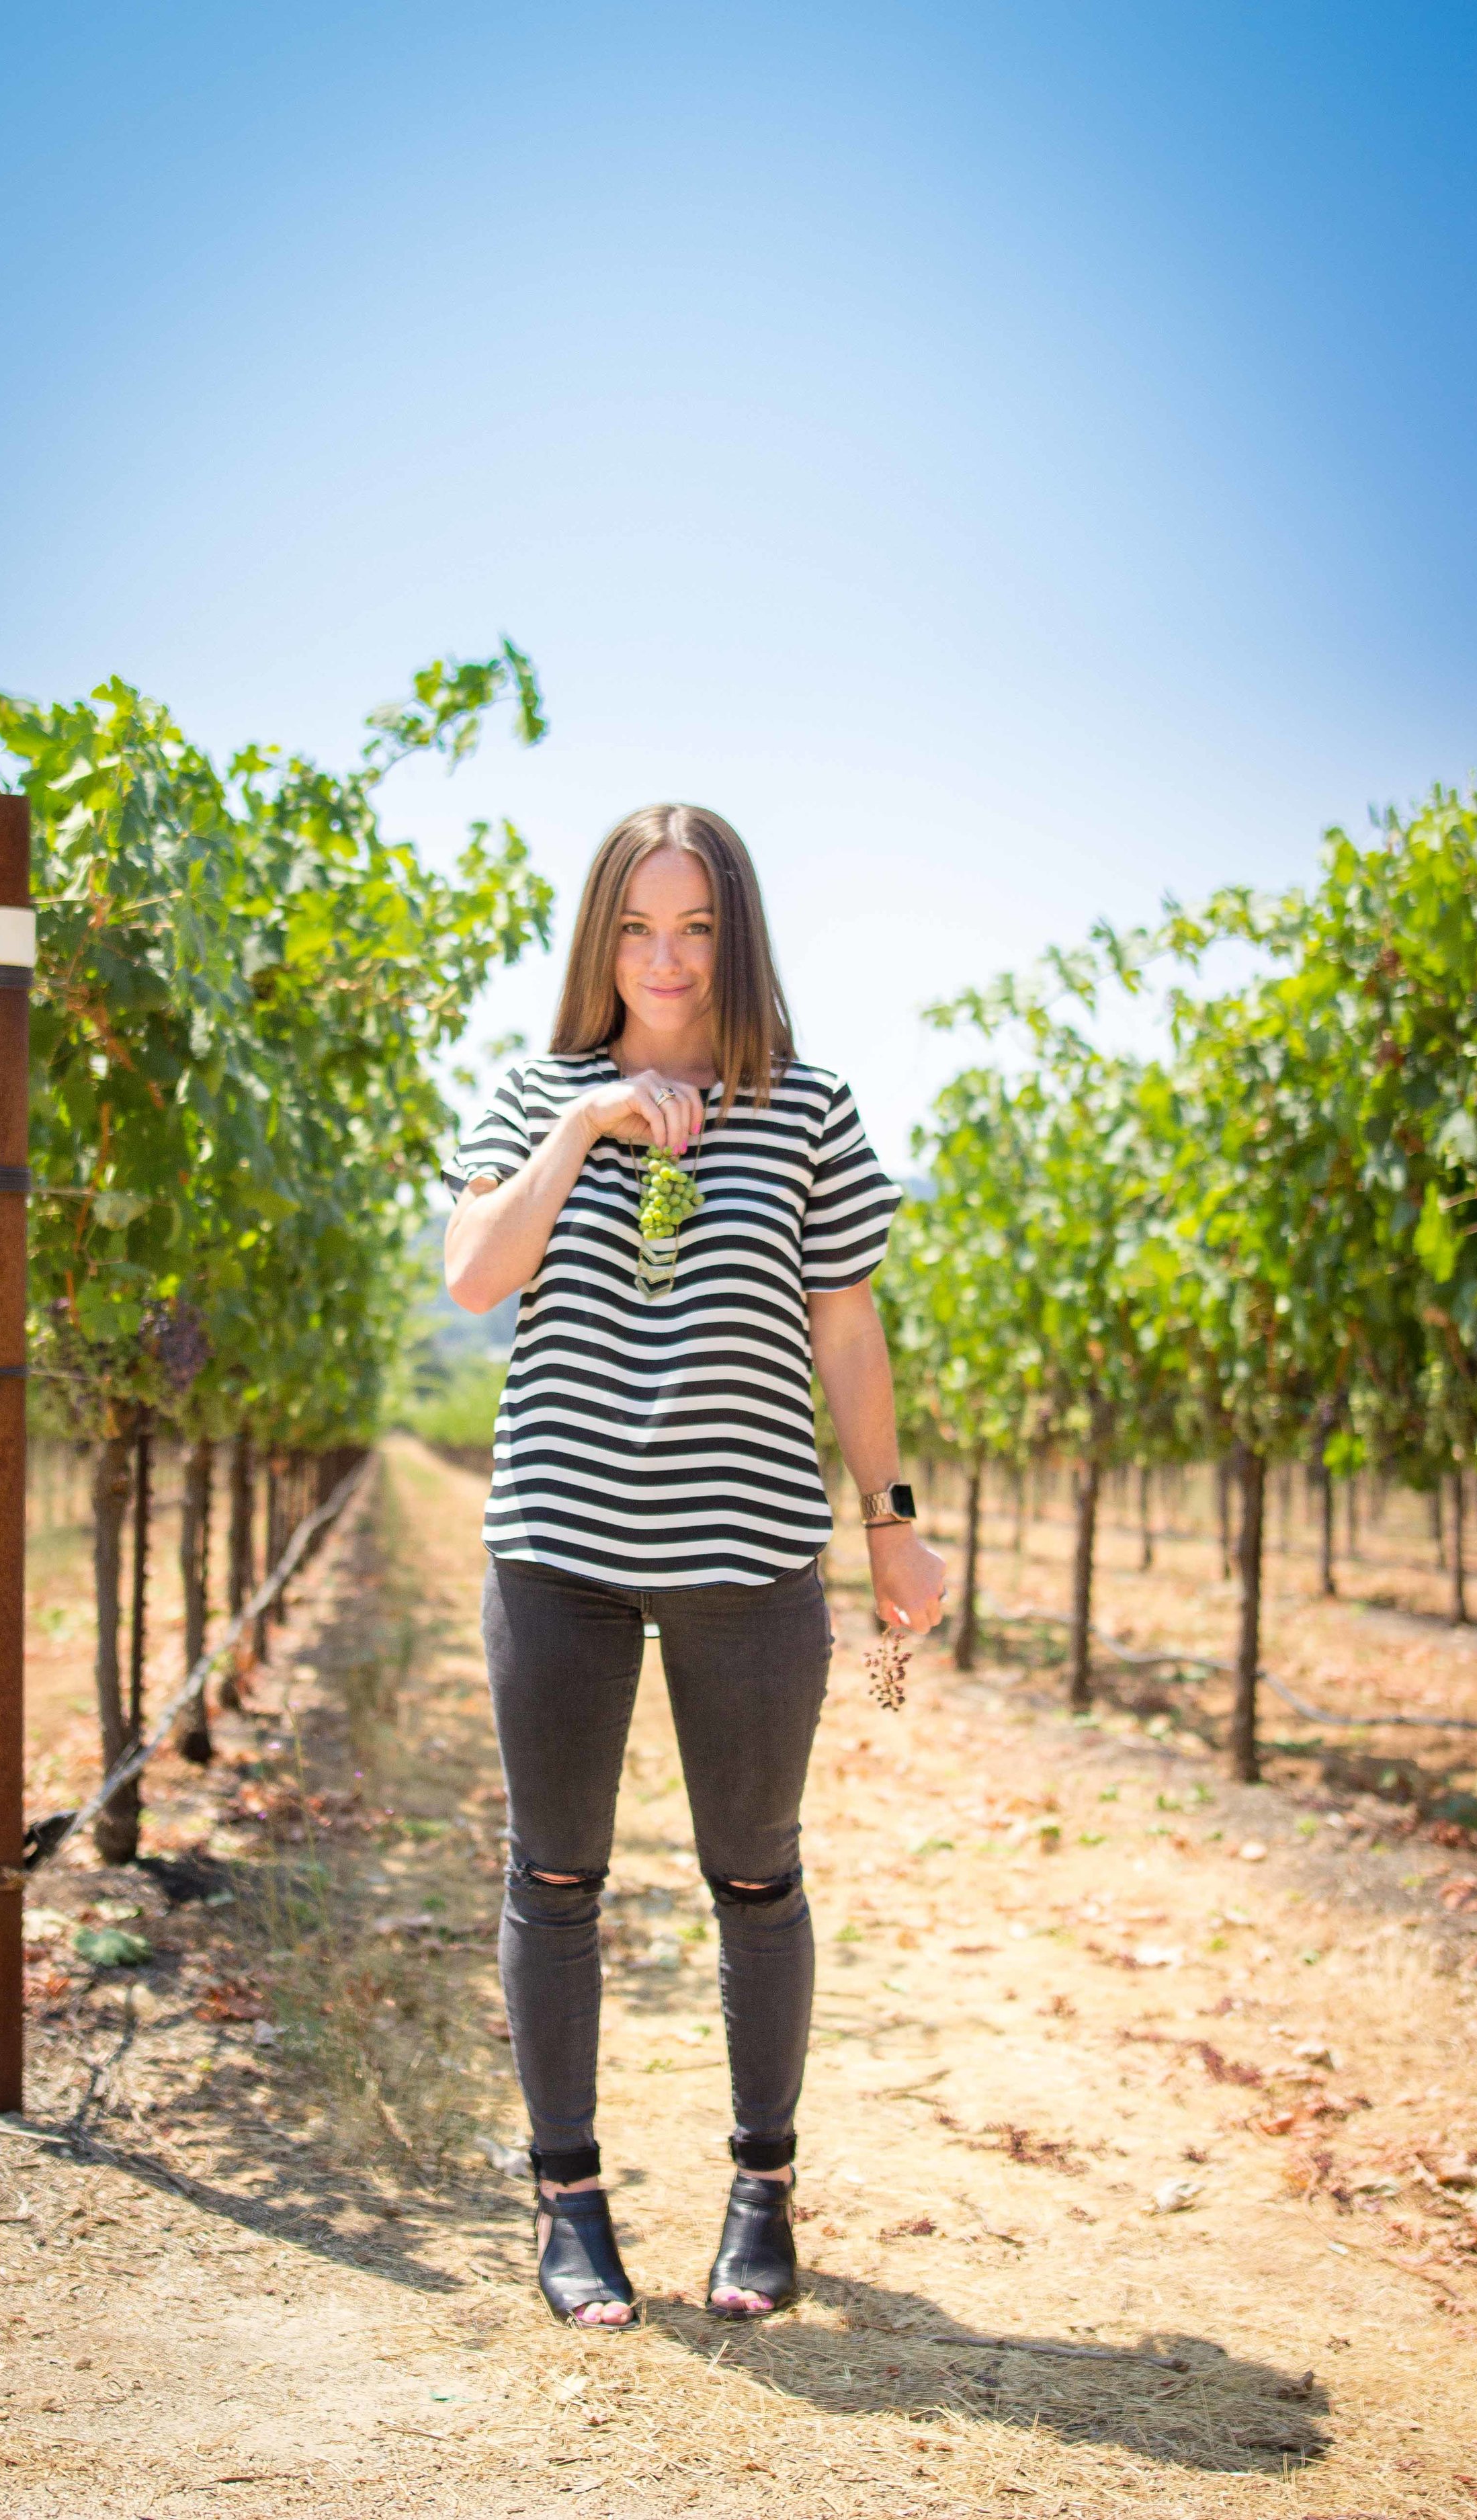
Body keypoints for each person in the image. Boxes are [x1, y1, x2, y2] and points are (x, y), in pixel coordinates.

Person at [442, 804, 946, 2329]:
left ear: (736, 938)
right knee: (554, 1873)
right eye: (637, 927)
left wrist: (893, 1517)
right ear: (601, 939)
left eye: (697, 928)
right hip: (558, 1555)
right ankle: (570, 2205)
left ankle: (759, 2191)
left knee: (753, 1873)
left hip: (743, 1555)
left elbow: (842, 1326)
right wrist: (584, 1127)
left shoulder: (806, 1108)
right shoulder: (534, 1096)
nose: (664, 960)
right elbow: (474, 1278)